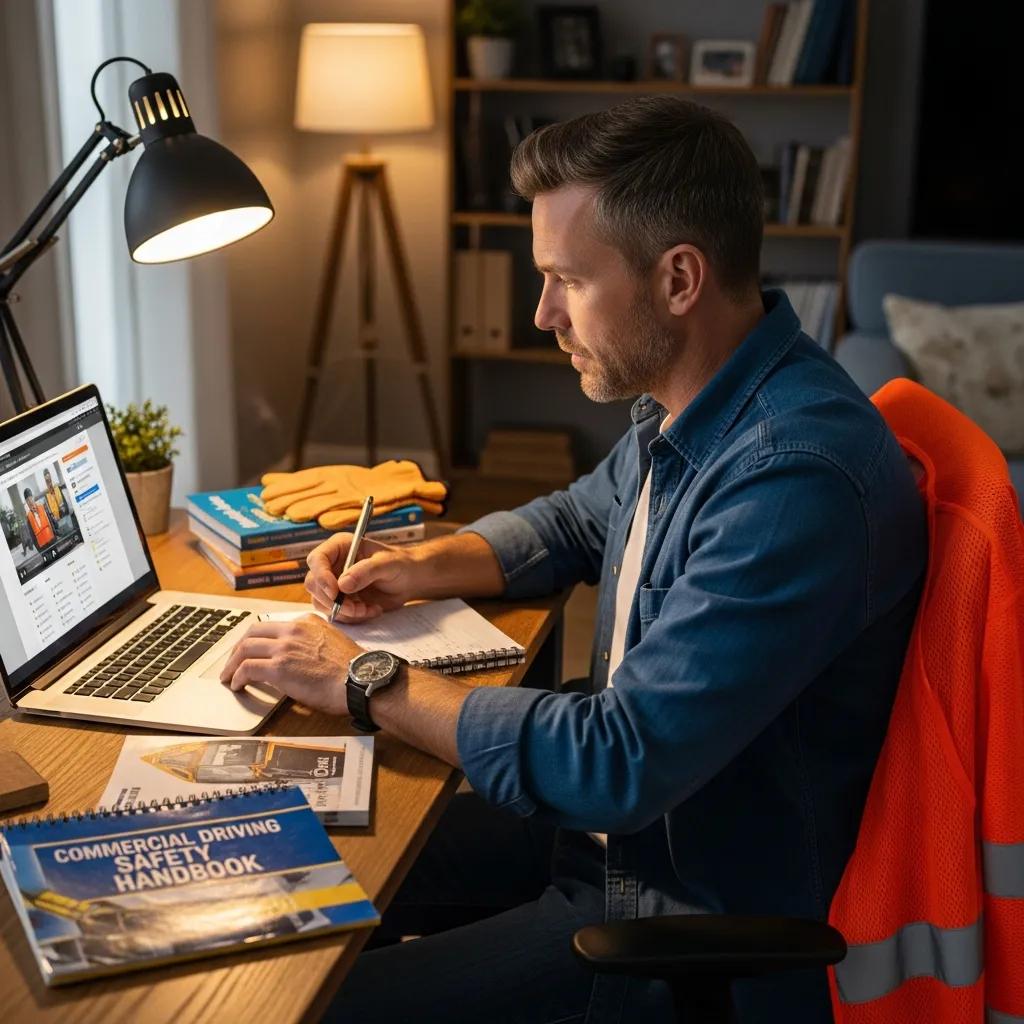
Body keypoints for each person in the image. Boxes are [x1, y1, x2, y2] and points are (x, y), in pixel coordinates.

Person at [221, 97, 927, 1023]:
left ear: (679, 279)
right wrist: (423, 562)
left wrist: (366, 677)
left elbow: (616, 761)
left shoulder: (789, 477)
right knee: (272, 846)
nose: (543, 312)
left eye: (567, 279)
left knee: (295, 1004)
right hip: (605, 844)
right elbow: (579, 522)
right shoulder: (705, 398)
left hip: (667, 911)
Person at [22, 487, 55, 552]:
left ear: (33, 498)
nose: (30, 501)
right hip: (42, 546)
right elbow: (32, 536)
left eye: (31, 498)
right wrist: (39, 550)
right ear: (26, 502)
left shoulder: (42, 507)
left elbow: (50, 522)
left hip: (51, 540)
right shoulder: (28, 517)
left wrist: (55, 536)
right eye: (27, 500)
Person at [42, 468, 72, 536]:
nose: (48, 478)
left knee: (70, 529)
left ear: (50, 476)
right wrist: (53, 517)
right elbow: (48, 507)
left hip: (64, 512)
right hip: (57, 517)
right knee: (63, 533)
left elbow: (63, 498)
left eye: (48, 475)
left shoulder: (57, 486)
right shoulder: (46, 494)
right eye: (46, 477)